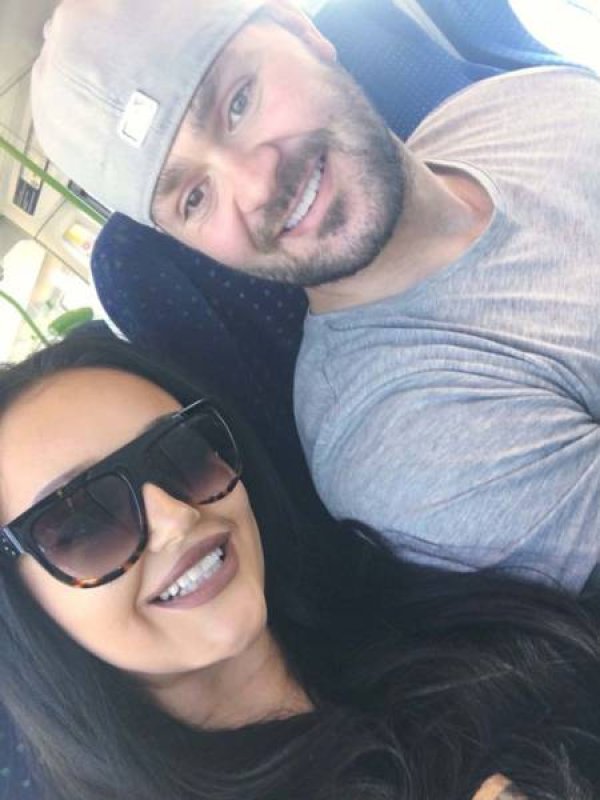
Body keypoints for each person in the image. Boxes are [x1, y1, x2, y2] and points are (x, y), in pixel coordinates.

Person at [30, 0, 600, 591]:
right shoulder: (402, 446)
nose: (256, 185)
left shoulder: (519, 102)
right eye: (194, 199)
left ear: (300, 29)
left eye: (238, 104)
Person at [2, 331, 600, 800]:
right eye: (82, 525)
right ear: (22, 609)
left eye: (181, 453)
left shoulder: (407, 604)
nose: (176, 519)